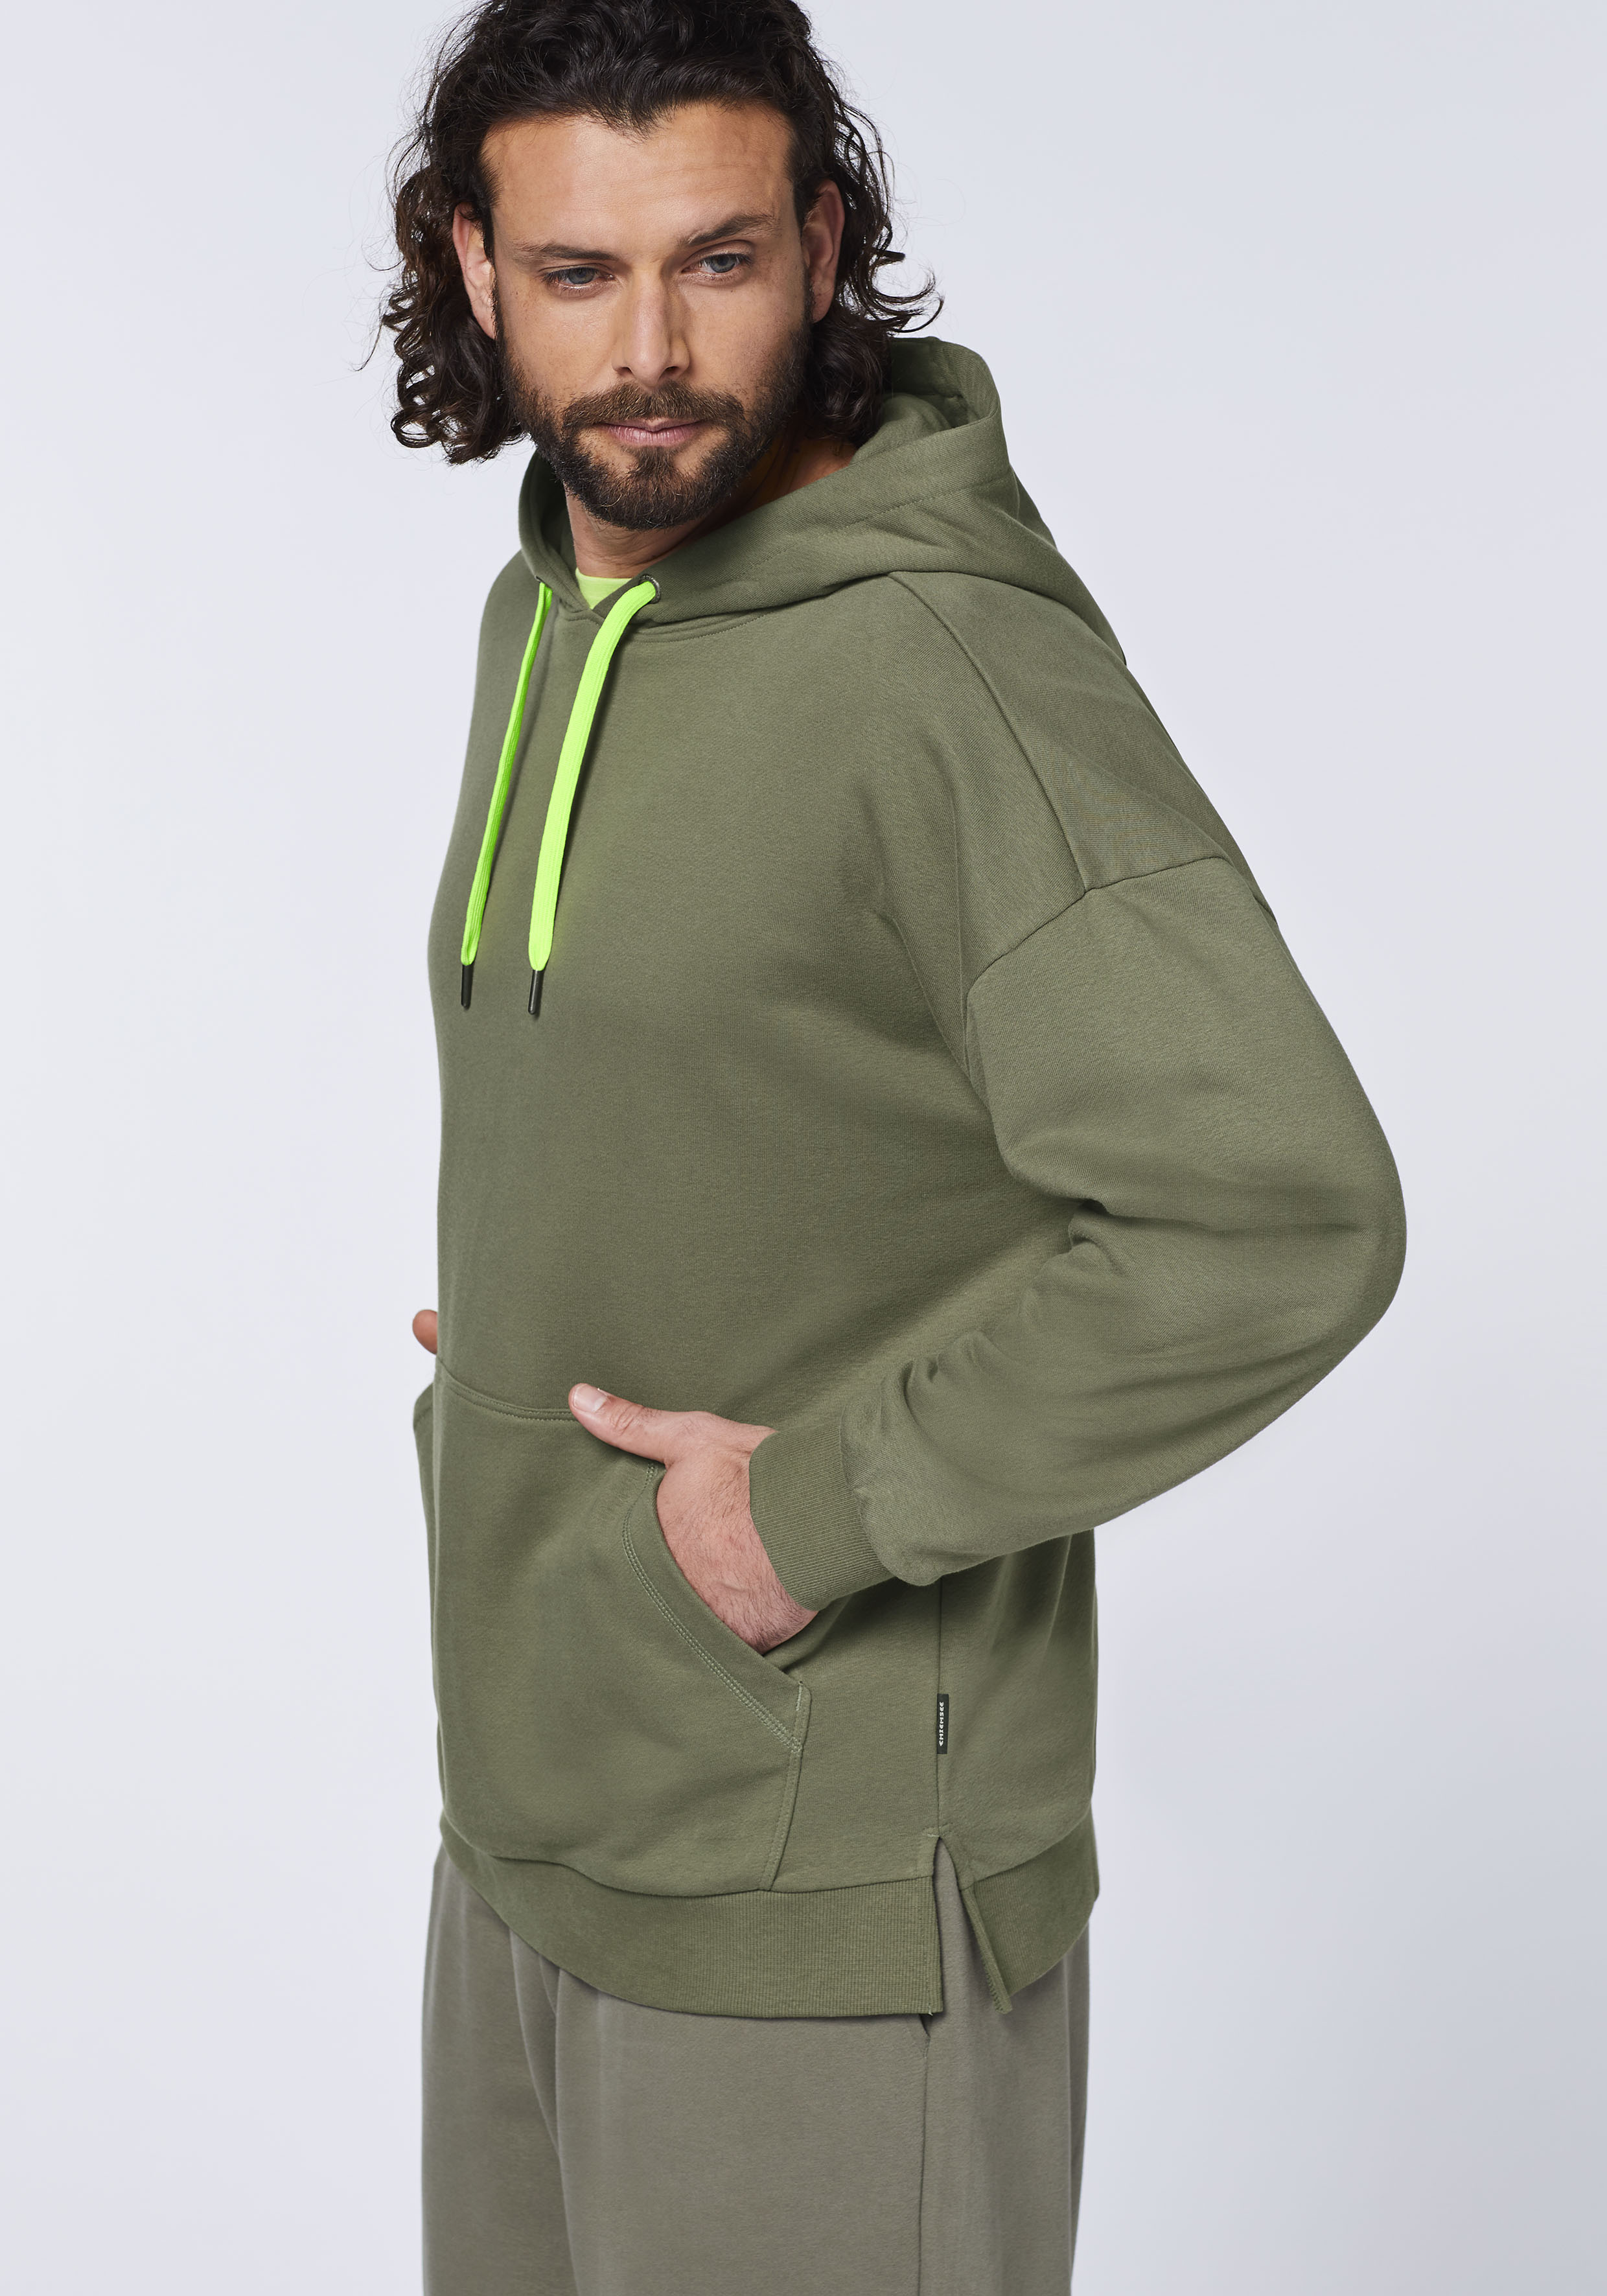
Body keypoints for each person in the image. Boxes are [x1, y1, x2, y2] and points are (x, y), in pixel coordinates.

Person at [382, 3, 1406, 2289]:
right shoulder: (557, 604)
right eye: (579, 274)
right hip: (537, 1823)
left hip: (819, 1886)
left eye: (720, 261)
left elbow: (1280, 1217)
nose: (652, 353)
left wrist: (804, 1517)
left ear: (826, 247)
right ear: (474, 267)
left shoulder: (942, 663)